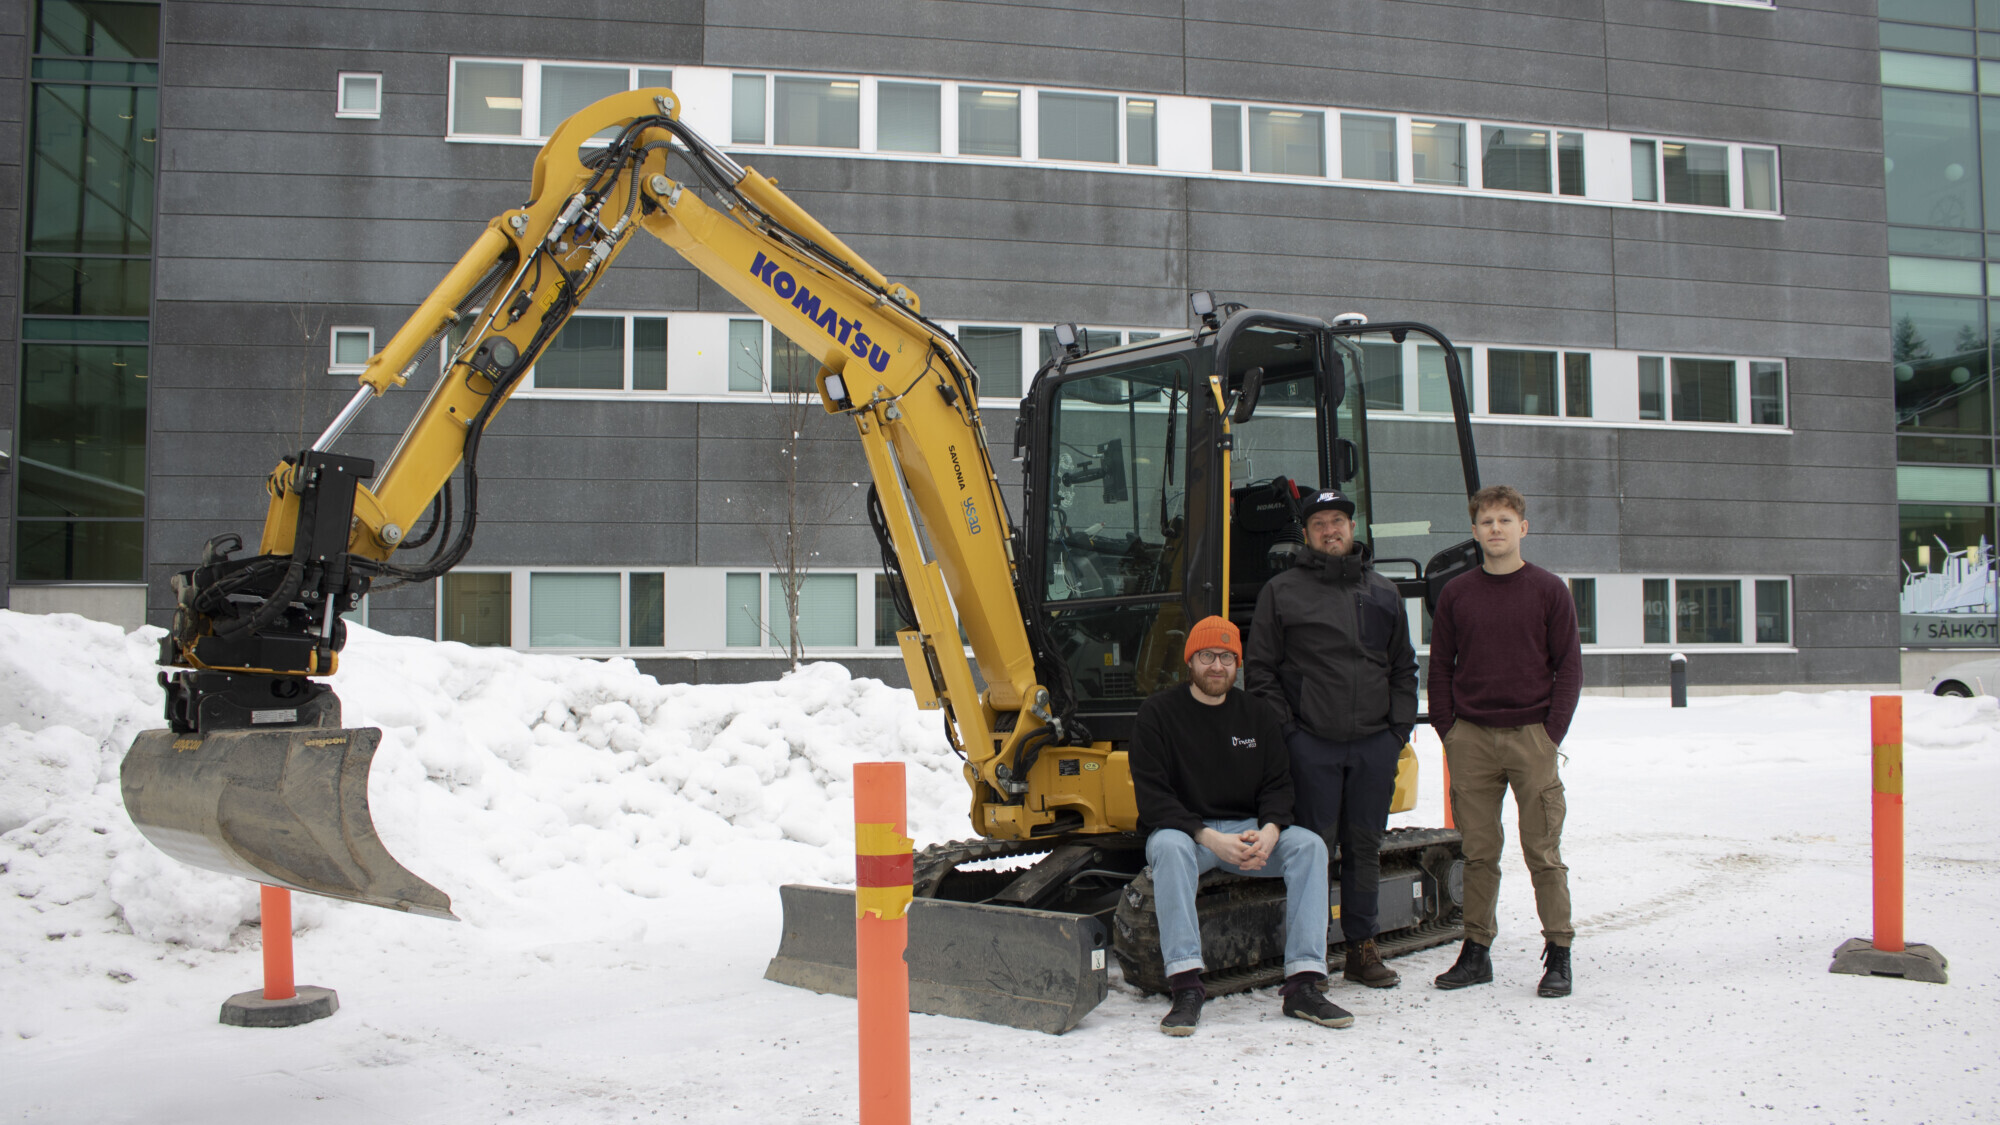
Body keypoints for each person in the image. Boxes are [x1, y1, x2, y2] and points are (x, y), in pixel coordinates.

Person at [1131, 615, 1353, 1035]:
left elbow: (1278, 784)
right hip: (1192, 835)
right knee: (1167, 848)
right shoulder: (1158, 714)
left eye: (1228, 657)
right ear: (1190, 661)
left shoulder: (1258, 715)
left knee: (1310, 847)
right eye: (1208, 656)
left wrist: (1270, 830)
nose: (1218, 666)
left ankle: (1304, 984)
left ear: (1238, 663)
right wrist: (1209, 837)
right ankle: (1186, 985)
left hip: (1249, 832)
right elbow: (1154, 798)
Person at [1245, 488, 1416, 990]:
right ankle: (1310, 957)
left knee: (1365, 847)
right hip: (1311, 746)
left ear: (1351, 528)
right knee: (1313, 850)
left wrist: (1395, 733)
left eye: (1338, 521)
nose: (1330, 530)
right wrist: (1291, 736)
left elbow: (1403, 668)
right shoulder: (1283, 591)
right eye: (1319, 523)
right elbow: (1262, 672)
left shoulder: (1383, 592)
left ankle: (1363, 948)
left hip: (1373, 746)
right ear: (1306, 534)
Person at [1426, 484, 1582, 998]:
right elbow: (1441, 667)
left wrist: (1548, 733)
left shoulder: (1548, 590)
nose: (1495, 529)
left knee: (1543, 852)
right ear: (1474, 533)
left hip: (1531, 738)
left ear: (1523, 528)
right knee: (1478, 852)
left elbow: (1570, 670)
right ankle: (1476, 952)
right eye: (1486, 522)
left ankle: (1558, 953)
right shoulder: (1457, 594)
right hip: (1471, 739)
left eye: (1504, 520)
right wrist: (1449, 729)